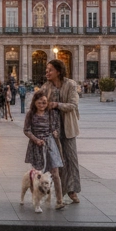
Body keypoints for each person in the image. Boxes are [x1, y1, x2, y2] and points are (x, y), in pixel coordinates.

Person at [42, 59, 80, 204]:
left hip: (68, 126)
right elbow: (40, 103)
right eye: (46, 70)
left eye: (50, 70)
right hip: (53, 129)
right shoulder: (46, 86)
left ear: (58, 71)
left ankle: (72, 190)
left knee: (71, 159)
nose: (47, 72)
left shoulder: (70, 84)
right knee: (57, 160)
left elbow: (73, 104)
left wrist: (57, 105)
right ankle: (59, 192)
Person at [23, 90, 65, 210]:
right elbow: (26, 130)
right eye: (40, 102)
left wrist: (55, 132)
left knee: (55, 173)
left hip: (50, 145)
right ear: (35, 102)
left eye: (44, 103)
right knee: (37, 175)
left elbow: (56, 127)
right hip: (36, 145)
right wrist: (35, 139)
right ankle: (36, 200)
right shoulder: (30, 114)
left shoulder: (51, 114)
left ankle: (59, 200)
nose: (42, 105)